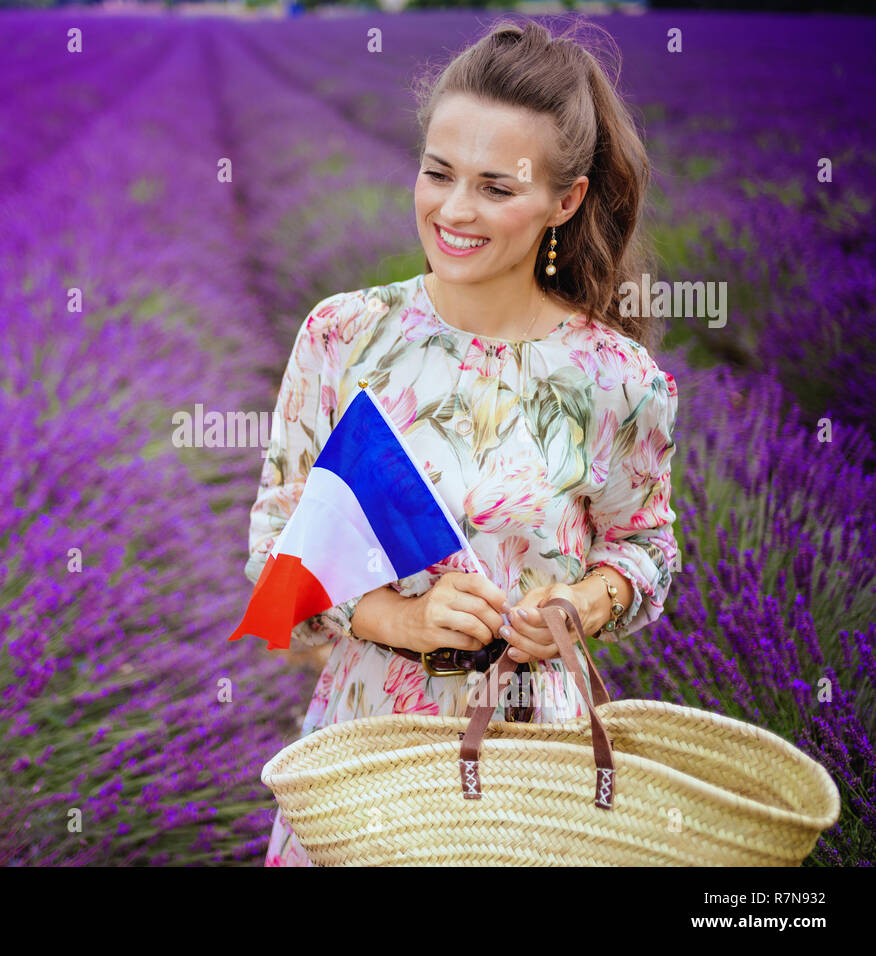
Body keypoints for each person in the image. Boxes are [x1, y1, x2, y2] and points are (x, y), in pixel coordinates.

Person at [243, 18, 682, 867]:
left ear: (568, 200)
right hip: (368, 744)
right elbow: (275, 552)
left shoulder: (616, 379)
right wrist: (398, 619)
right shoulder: (344, 337)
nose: (454, 210)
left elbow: (647, 550)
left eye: (495, 187)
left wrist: (579, 606)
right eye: (438, 174)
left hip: (531, 759)